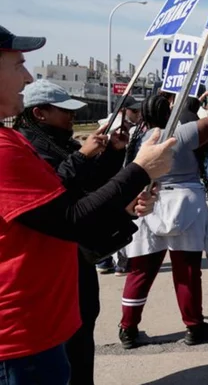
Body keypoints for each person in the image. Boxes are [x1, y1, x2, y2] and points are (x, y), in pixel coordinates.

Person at [0, 25, 175, 385]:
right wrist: (140, 169)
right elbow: (72, 218)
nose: (28, 75)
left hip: (46, 323)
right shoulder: (7, 149)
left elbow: (67, 206)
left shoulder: (13, 143)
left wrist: (124, 202)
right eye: (18, 64)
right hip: (22, 339)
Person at [12, 79, 143, 385]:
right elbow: (55, 196)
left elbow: (94, 187)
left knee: (83, 330)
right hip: (49, 261)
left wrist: (112, 152)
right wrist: (82, 157)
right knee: (63, 348)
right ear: (40, 113)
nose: (71, 118)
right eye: (64, 112)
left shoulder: (62, 141)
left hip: (75, 257)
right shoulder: (27, 148)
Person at [118, 83, 208, 349]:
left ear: (144, 116)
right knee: (186, 271)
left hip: (148, 203)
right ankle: (194, 326)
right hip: (186, 204)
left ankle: (128, 328)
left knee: (140, 272)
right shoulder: (181, 133)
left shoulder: (138, 139)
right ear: (169, 112)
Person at [96, 95, 144, 275]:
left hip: (106, 182)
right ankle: (121, 264)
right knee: (119, 221)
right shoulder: (119, 128)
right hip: (118, 180)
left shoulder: (107, 124)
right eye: (134, 110)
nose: (138, 114)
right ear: (123, 111)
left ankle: (103, 261)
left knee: (104, 222)